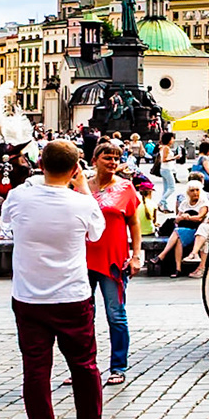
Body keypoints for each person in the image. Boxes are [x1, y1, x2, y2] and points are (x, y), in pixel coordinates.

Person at [0, 140, 106, 419]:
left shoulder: (19, 197)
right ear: (75, 169)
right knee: (84, 366)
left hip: (29, 297)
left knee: (36, 371)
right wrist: (83, 187)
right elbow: (96, 234)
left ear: (40, 165)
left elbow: (6, 228)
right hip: (73, 296)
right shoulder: (83, 203)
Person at [85, 141, 142, 385]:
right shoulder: (80, 187)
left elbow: (134, 223)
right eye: (107, 157)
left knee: (115, 315)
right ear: (95, 160)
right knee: (83, 317)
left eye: (116, 158)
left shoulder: (125, 188)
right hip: (83, 260)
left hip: (113, 261)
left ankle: (118, 366)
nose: (112, 162)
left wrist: (136, 255)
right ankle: (84, 367)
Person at [153, 180, 209, 274]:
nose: (195, 193)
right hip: (183, 230)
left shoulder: (203, 203)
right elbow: (177, 219)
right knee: (178, 235)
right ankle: (178, 269)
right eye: (192, 190)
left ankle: (162, 255)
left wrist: (188, 217)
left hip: (197, 231)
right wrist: (181, 217)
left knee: (177, 232)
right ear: (188, 192)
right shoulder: (184, 203)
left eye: (197, 190)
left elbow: (200, 218)